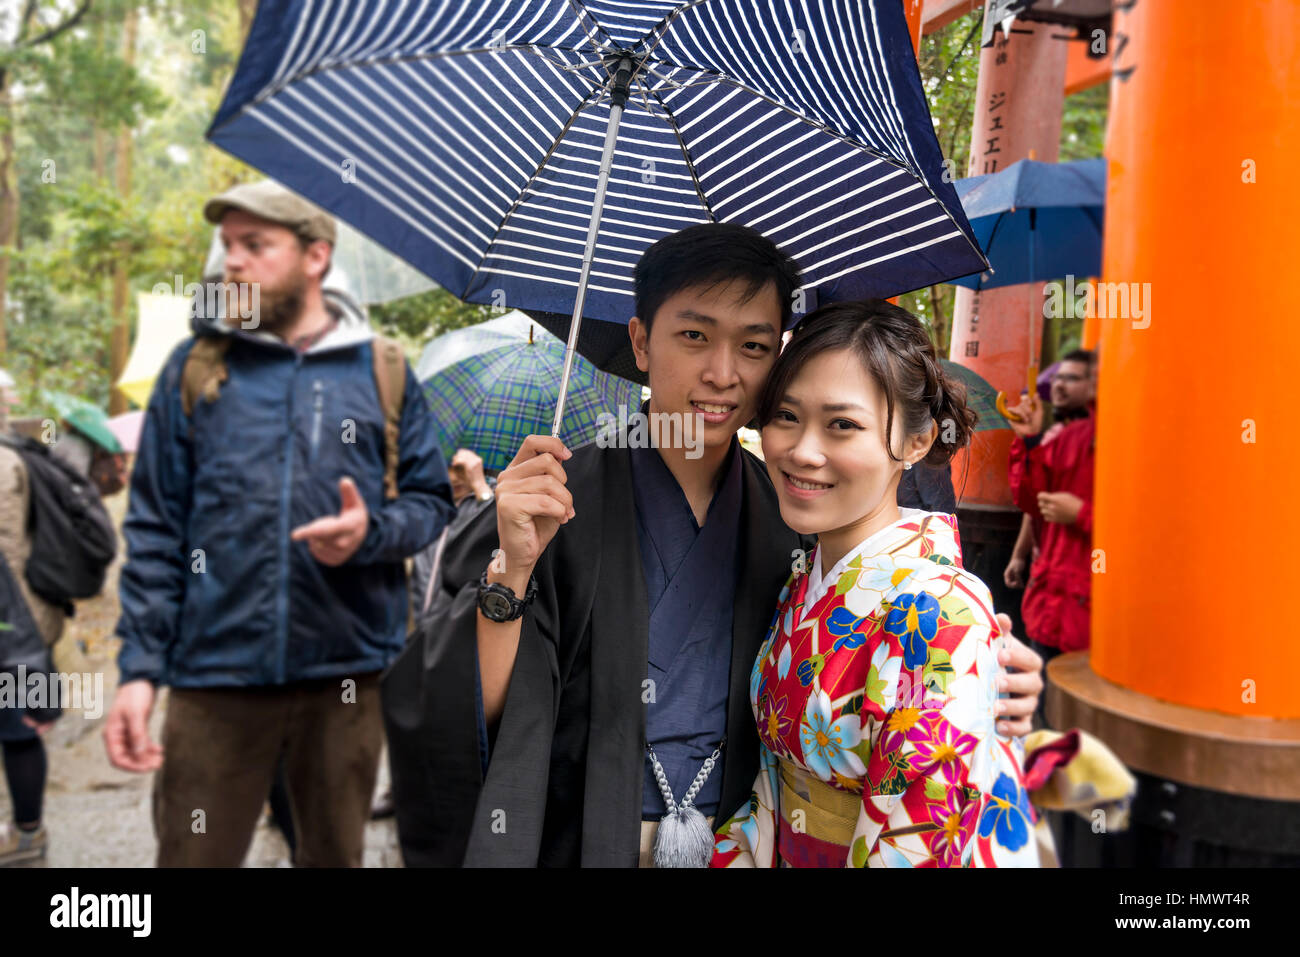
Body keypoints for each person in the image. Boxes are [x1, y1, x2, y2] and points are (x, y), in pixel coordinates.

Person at [384, 223, 1045, 867]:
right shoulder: (550, 504)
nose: (723, 373)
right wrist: (514, 569)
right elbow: (454, 713)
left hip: (746, 836)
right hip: (586, 838)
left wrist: (977, 669)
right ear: (641, 340)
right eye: (694, 335)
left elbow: (900, 650)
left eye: (755, 347)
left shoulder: (794, 514)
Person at [101, 180, 455, 867]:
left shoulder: (381, 368)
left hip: (347, 679)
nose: (231, 261)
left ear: (315, 256)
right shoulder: (196, 368)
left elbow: (430, 501)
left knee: (332, 857)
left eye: (255, 246)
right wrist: (140, 669)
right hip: (213, 680)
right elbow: (154, 528)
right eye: (228, 245)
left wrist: (370, 533)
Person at [710, 301, 1039, 867]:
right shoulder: (804, 580)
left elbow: (923, 839)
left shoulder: (941, 616)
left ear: (915, 442)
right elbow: (774, 783)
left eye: (843, 424)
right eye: (785, 416)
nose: (801, 451)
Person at [0, 373, 118, 865]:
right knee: (18, 725)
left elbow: (5, 549)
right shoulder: (18, 452)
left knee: (19, 727)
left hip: (14, 623)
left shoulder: (5, 462)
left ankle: (28, 834)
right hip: (30, 619)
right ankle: (28, 830)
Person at [1005, 351, 1097, 664]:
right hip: (1050, 601)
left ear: (1095, 384)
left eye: (1071, 378)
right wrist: (1029, 440)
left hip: (1093, 615)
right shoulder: (1066, 438)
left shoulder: (1123, 436)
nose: (1059, 385)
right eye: (1058, 377)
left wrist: (1081, 515)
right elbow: (1032, 502)